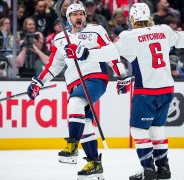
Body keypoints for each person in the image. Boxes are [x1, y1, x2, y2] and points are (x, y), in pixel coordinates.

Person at [85, 3, 184, 179]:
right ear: (149, 17)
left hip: (146, 91)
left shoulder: (128, 36)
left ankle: (148, 168)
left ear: (132, 19)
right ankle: (163, 168)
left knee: (138, 131)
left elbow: (109, 52)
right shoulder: (163, 30)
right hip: (167, 90)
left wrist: (85, 54)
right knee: (157, 129)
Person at [26, 3, 126, 180]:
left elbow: (112, 52)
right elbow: (54, 65)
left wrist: (121, 76)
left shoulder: (96, 31)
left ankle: (72, 147)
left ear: (85, 16)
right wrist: (39, 81)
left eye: (81, 14)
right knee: (85, 123)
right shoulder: (60, 39)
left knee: (75, 103)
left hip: (95, 78)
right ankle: (95, 163)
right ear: (68, 18)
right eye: (75, 14)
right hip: (74, 83)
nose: (79, 17)